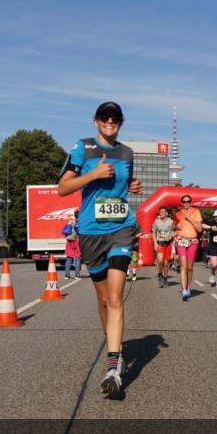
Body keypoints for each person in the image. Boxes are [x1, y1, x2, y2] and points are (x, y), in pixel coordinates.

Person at [58, 101, 143, 397]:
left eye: (115, 118)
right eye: (105, 118)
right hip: (91, 232)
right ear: (95, 121)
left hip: (121, 227)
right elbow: (63, 188)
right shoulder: (83, 149)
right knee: (104, 299)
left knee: (117, 296)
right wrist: (92, 175)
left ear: (121, 122)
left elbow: (123, 183)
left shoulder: (127, 153)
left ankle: (112, 365)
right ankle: (112, 341)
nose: (110, 122)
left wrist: (131, 186)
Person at [173, 194, 203, 301]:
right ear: (182, 203)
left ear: (191, 202)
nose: (186, 203)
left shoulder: (196, 212)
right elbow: (174, 226)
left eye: (188, 201)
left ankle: (188, 286)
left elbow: (199, 229)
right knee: (183, 266)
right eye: (184, 201)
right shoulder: (178, 213)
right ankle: (184, 290)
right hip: (181, 240)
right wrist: (176, 226)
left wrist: (190, 219)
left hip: (193, 242)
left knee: (190, 268)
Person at [151, 206, 175, 288]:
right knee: (160, 260)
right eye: (160, 212)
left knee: (166, 263)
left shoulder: (171, 222)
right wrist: (155, 243)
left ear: (166, 213)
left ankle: (165, 278)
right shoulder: (156, 222)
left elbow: (174, 232)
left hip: (168, 244)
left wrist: (170, 236)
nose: (161, 213)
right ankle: (160, 274)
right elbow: (153, 233)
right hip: (160, 243)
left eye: (163, 211)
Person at [63, 211, 81, 279]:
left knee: (69, 258)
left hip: (69, 241)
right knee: (77, 258)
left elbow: (66, 231)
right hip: (76, 241)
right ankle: (77, 275)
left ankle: (67, 275)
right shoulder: (80, 223)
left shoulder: (70, 222)